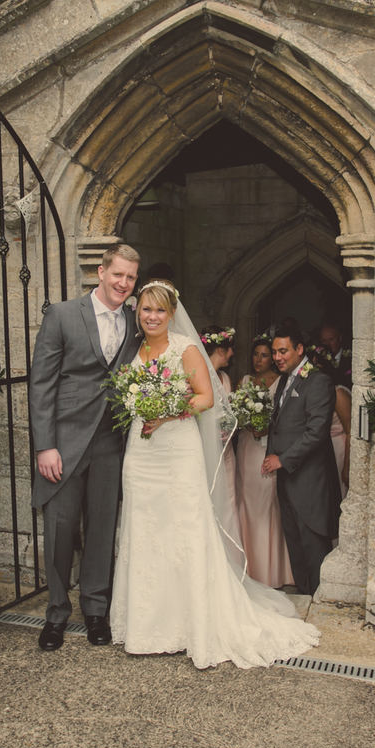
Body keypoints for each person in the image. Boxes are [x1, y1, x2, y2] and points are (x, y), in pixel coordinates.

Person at [111, 281, 320, 669]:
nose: (151, 316)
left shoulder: (184, 348)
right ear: (137, 313)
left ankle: (194, 622)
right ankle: (148, 623)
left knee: (185, 529)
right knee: (145, 528)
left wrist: (169, 409)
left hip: (177, 448)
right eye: (145, 310)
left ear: (171, 314)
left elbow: (205, 398)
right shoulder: (136, 349)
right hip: (142, 452)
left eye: (159, 310)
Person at [29, 244, 142, 652]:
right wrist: (46, 446)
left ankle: (96, 610)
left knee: (101, 528)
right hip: (64, 443)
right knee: (59, 531)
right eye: (118, 275)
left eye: (130, 278)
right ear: (101, 271)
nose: (124, 284)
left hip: (112, 441)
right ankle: (56, 614)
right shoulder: (61, 315)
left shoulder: (134, 320)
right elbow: (41, 383)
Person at [261, 327, 342, 596]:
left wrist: (282, 459)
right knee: (295, 542)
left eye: (283, 351)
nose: (277, 357)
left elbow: (316, 432)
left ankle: (321, 600)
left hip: (310, 479)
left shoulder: (318, 381)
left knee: (312, 544)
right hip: (287, 476)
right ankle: (306, 595)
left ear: (299, 350)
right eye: (274, 352)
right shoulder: (286, 379)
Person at [236, 337, 296, 588]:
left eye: (264, 355)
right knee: (246, 503)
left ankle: (273, 571)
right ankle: (250, 569)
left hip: (268, 450)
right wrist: (246, 421)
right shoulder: (244, 381)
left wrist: (266, 429)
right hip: (246, 447)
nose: (259, 360)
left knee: (268, 504)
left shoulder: (282, 382)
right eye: (255, 354)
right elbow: (233, 414)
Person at [202, 324, 239, 539]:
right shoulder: (198, 375)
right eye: (230, 348)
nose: (233, 353)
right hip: (206, 451)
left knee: (229, 500)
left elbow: (230, 414)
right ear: (221, 350)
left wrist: (230, 429)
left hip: (227, 454)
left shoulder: (225, 378)